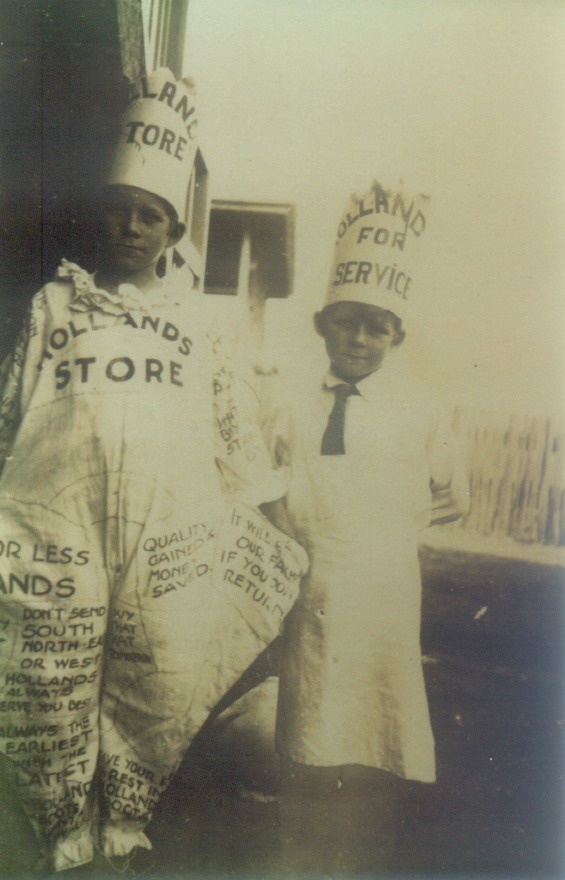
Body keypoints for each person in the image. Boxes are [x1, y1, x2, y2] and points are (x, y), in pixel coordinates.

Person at [0, 68, 305, 873]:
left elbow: (236, 439)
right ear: (99, 215)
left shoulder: (202, 329)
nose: (130, 229)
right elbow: (13, 419)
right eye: (119, 211)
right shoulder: (55, 308)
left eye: (150, 216)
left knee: (149, 695)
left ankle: (118, 844)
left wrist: (273, 533)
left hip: (163, 543)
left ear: (172, 230)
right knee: (50, 696)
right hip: (60, 532)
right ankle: (57, 843)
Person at [263, 179, 470, 875]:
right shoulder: (288, 401)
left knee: (378, 739)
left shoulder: (420, 408)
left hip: (382, 597)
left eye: (375, 326)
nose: (359, 337)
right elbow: (265, 486)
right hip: (309, 595)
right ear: (323, 323)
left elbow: (452, 495)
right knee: (307, 737)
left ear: (395, 335)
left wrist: (387, 529)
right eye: (347, 321)